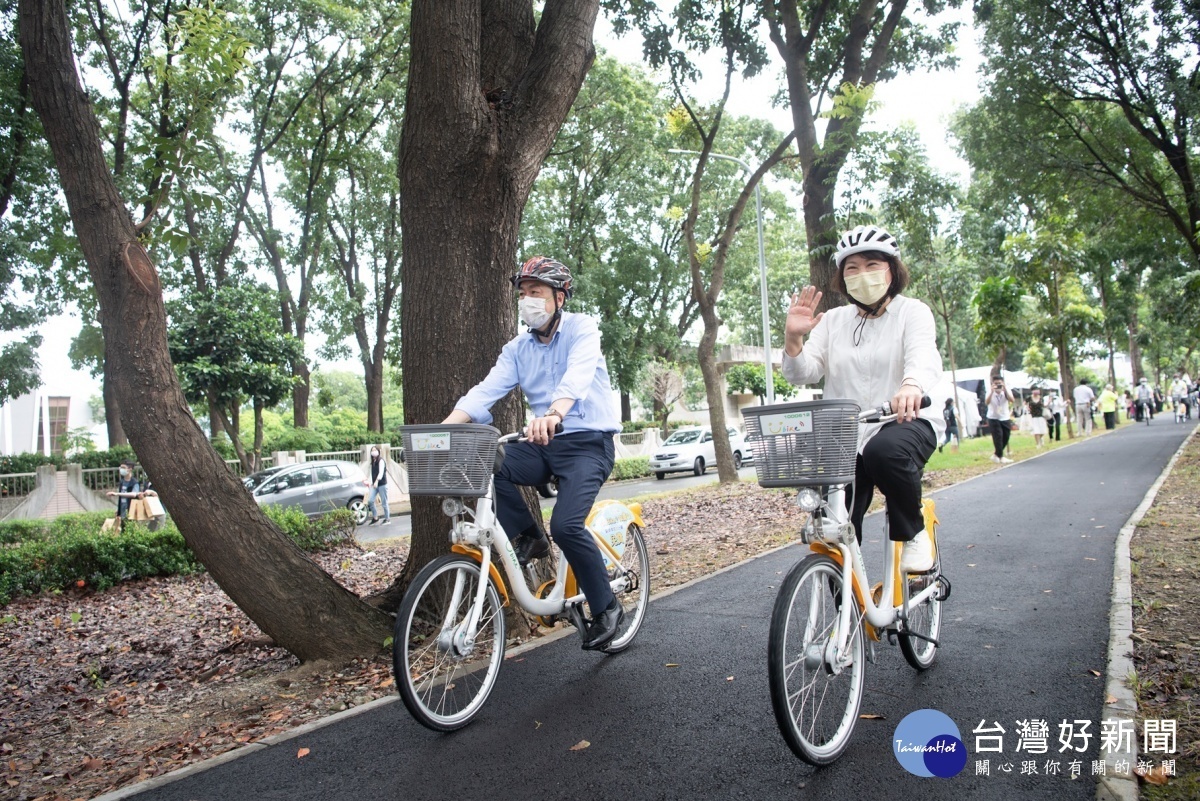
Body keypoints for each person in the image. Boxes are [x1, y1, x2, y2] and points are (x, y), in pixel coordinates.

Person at [442, 256, 624, 650]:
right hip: (543, 442)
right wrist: (447, 426)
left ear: (559, 298)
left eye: (536, 293)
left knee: (567, 526)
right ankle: (528, 536)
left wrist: (556, 412)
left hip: (587, 443)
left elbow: (577, 375)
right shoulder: (517, 348)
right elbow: (486, 390)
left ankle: (607, 607)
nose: (527, 301)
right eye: (523, 294)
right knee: (489, 464)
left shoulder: (583, 328)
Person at [781, 225, 944, 574]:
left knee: (883, 452)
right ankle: (846, 612)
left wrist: (911, 386)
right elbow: (803, 371)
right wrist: (794, 339)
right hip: (845, 433)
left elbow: (922, 357)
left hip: (906, 421)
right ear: (842, 277)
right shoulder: (833, 321)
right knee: (833, 531)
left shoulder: (913, 312)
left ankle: (914, 533)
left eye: (872, 265)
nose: (862, 274)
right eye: (852, 268)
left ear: (891, 270)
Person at [984, 377, 1014, 463]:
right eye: (996, 383)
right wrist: (992, 391)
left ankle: (996, 454)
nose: (998, 385)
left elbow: (1012, 400)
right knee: (998, 436)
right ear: (992, 384)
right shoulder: (989, 392)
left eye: (999, 383)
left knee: (1006, 436)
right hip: (993, 417)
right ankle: (1000, 456)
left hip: (1005, 417)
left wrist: (1005, 389)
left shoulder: (1006, 391)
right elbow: (987, 402)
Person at [106, 461, 141, 531]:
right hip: (122, 511)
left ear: (130, 469)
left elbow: (134, 494)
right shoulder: (122, 482)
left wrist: (117, 494)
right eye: (120, 467)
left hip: (131, 511)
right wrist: (118, 510)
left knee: (131, 530)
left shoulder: (134, 482)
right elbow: (121, 499)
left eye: (123, 467)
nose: (121, 469)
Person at [366, 446, 390, 525]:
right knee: (370, 501)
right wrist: (371, 482)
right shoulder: (373, 461)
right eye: (372, 451)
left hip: (382, 484)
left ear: (378, 451)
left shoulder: (381, 461)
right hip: (374, 485)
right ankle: (375, 517)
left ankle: (387, 519)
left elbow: (381, 473)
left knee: (384, 502)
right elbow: (371, 473)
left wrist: (376, 481)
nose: (373, 452)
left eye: (375, 450)